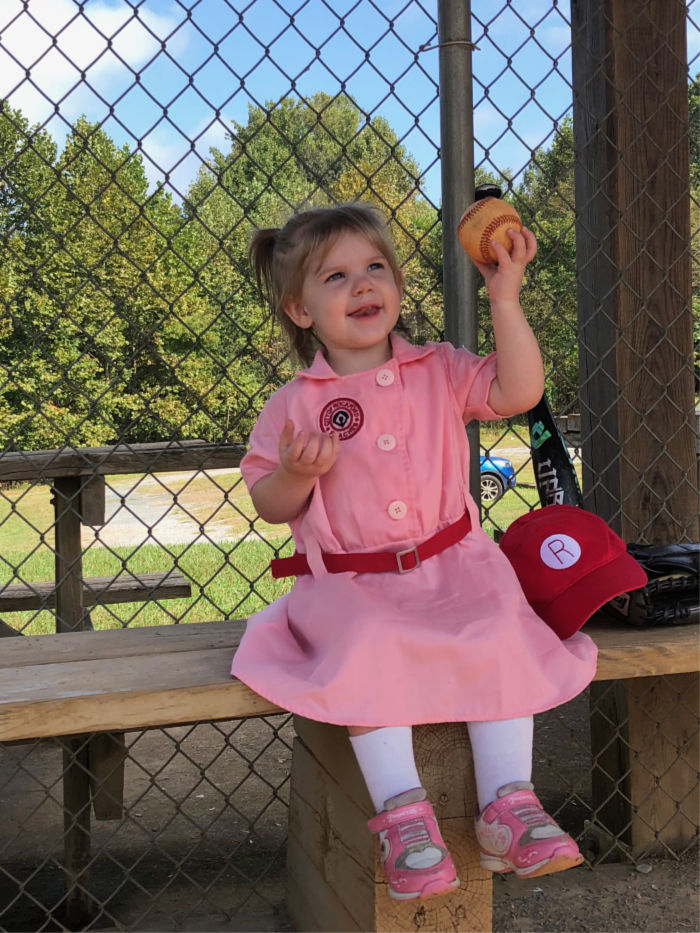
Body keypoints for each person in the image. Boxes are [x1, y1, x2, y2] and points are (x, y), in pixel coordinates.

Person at [231, 201, 597, 901]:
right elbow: (270, 503)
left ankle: (509, 807)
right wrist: (296, 475)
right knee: (370, 640)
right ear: (300, 310)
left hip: (454, 564)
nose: (363, 284)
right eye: (335, 276)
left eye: (375, 267)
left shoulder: (437, 367)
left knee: (497, 626)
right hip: (351, 584)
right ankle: (404, 817)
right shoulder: (293, 404)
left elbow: (519, 389)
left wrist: (505, 296)